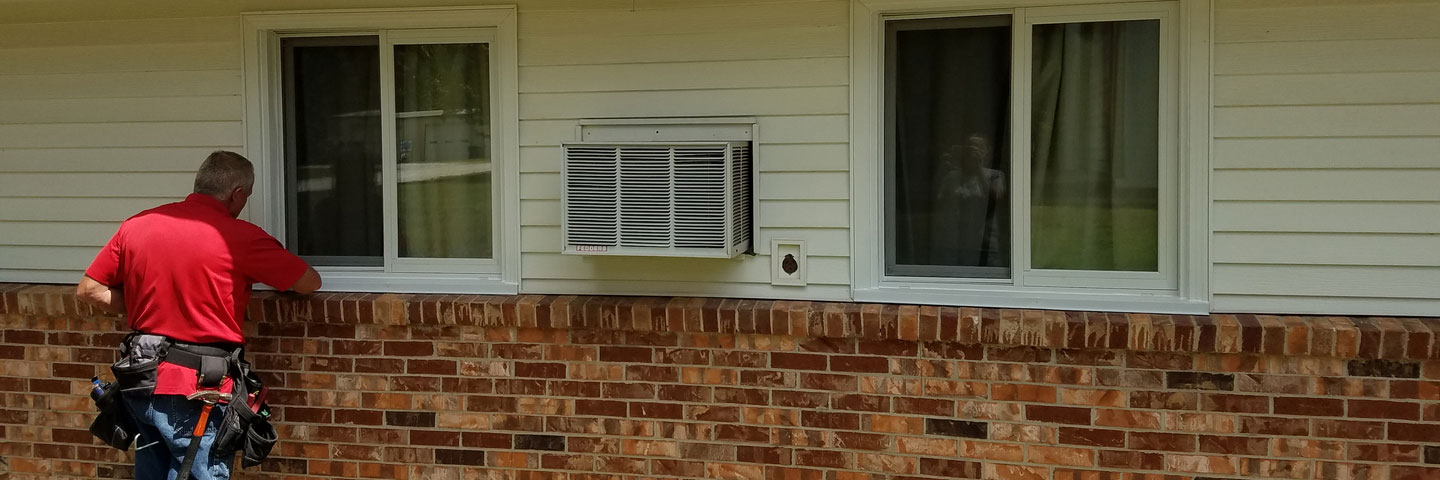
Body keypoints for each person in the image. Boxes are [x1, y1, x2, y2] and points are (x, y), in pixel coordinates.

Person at [77, 151, 321, 480]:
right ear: (237, 194)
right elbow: (309, 282)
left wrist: (145, 302)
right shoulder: (241, 237)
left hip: (139, 380)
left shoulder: (138, 226)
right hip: (195, 390)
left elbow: (89, 289)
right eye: (245, 197)